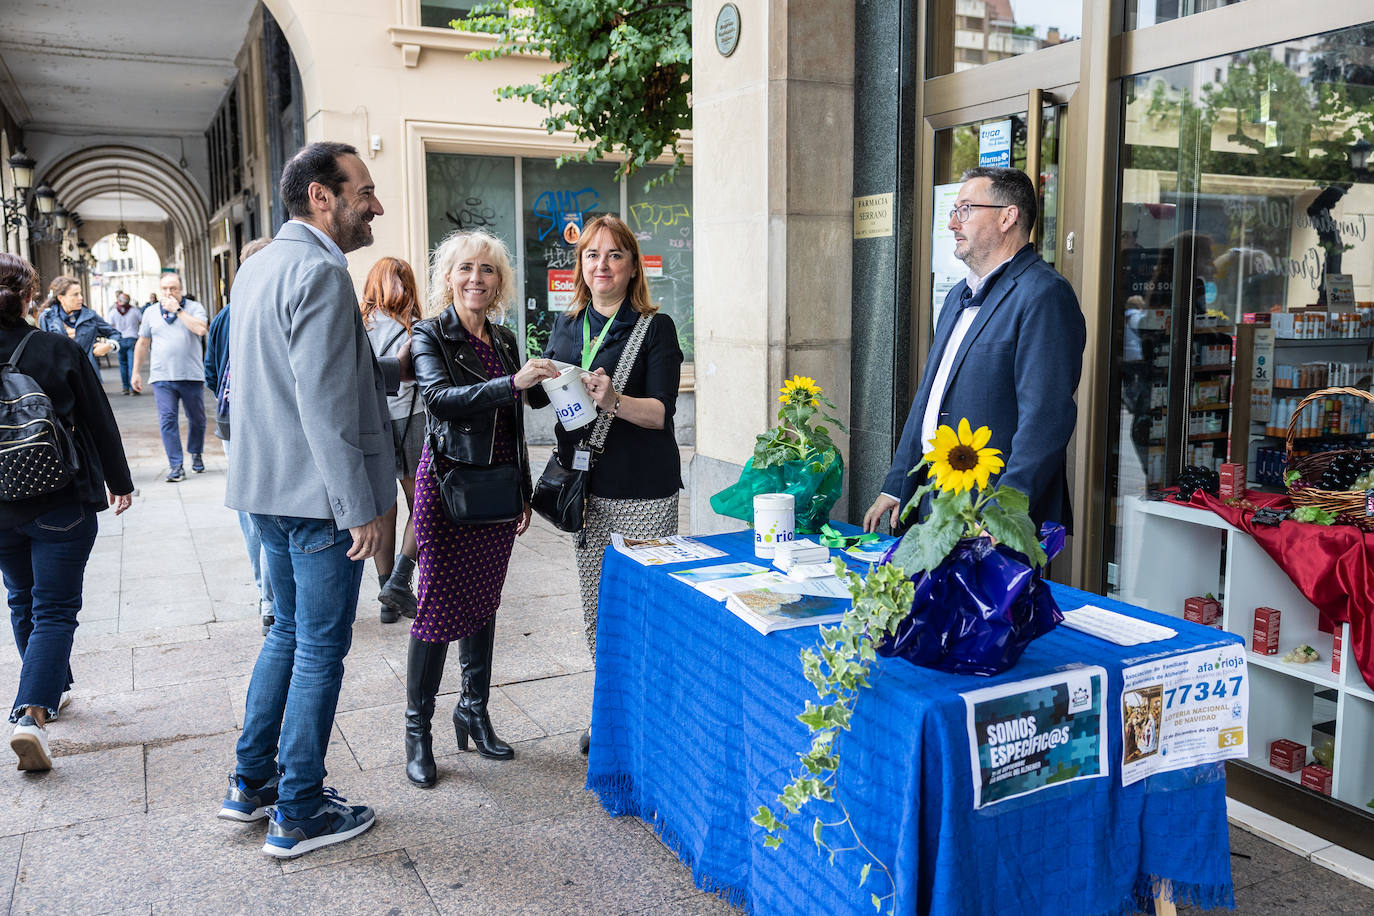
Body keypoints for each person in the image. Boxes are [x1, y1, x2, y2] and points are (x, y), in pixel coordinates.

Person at [220, 141, 395, 859]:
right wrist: (360, 506)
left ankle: (250, 783)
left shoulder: (258, 267)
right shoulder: (320, 273)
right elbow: (324, 405)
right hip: (318, 500)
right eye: (364, 191)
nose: (375, 205)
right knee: (319, 648)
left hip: (263, 490)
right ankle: (297, 811)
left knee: (286, 635)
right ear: (321, 197)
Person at [404, 230, 557, 786]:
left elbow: (520, 411)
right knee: (437, 607)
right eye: (466, 268)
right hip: (447, 487)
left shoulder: (506, 339)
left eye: (487, 271)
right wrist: (509, 383)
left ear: (499, 284)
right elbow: (440, 399)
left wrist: (552, 380)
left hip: (497, 487)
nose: (476, 279)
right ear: (449, 277)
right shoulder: (429, 334)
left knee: (484, 602)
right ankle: (417, 730)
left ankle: (473, 708)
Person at [529, 214, 684, 754]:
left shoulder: (653, 327)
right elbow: (558, 408)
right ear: (581, 265)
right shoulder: (568, 326)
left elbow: (660, 415)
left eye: (614, 255)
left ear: (631, 265)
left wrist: (610, 400)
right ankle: (609, 711)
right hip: (586, 488)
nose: (602, 265)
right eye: (592, 255)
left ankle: (647, 713)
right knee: (597, 605)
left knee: (642, 604)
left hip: (642, 490)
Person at [863, 166, 1085, 535]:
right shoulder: (956, 296)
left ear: (1007, 217)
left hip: (990, 514)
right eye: (953, 211)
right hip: (935, 501)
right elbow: (929, 397)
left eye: (965, 209)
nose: (952, 223)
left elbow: (1045, 421)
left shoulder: (1044, 294)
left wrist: (1000, 517)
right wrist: (898, 482)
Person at [0, 252, 134, 771]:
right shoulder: (57, 349)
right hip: (61, 499)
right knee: (55, 610)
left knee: (22, 598)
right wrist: (119, 484)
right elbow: (99, 420)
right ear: (32, 296)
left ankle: (51, 691)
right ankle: (30, 714)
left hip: (2, 509)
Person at [204, 238, 274, 635]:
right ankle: (271, 595)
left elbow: (212, 374)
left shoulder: (225, 314)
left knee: (253, 511)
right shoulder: (241, 312)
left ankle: (267, 595)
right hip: (254, 423)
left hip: (234, 421)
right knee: (260, 511)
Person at [361, 257, 426, 624]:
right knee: (420, 504)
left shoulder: (359, 325)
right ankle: (401, 580)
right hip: (413, 422)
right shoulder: (417, 328)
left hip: (373, 426)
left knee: (384, 510)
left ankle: (387, 596)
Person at [131, 274, 209, 482]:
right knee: (167, 420)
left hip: (191, 375)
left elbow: (201, 329)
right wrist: (135, 371)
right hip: (162, 377)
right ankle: (176, 465)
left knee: (198, 419)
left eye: (173, 288)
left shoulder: (194, 307)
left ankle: (196, 452)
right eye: (165, 288)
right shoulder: (150, 312)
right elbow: (142, 343)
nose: (169, 292)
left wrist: (179, 311)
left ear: (181, 289)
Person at [37, 277, 121, 375]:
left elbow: (115, 334)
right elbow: (43, 350)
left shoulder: (90, 316)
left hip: (87, 375)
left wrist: (109, 345)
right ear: (61, 298)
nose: (81, 297)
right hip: (59, 376)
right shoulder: (46, 317)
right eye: (75, 294)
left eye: (80, 293)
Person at [107, 292, 143, 396]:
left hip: (119, 340)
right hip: (132, 338)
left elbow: (110, 325)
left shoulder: (113, 312)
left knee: (123, 364)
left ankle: (125, 387)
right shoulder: (134, 311)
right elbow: (141, 321)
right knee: (132, 364)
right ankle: (133, 388)